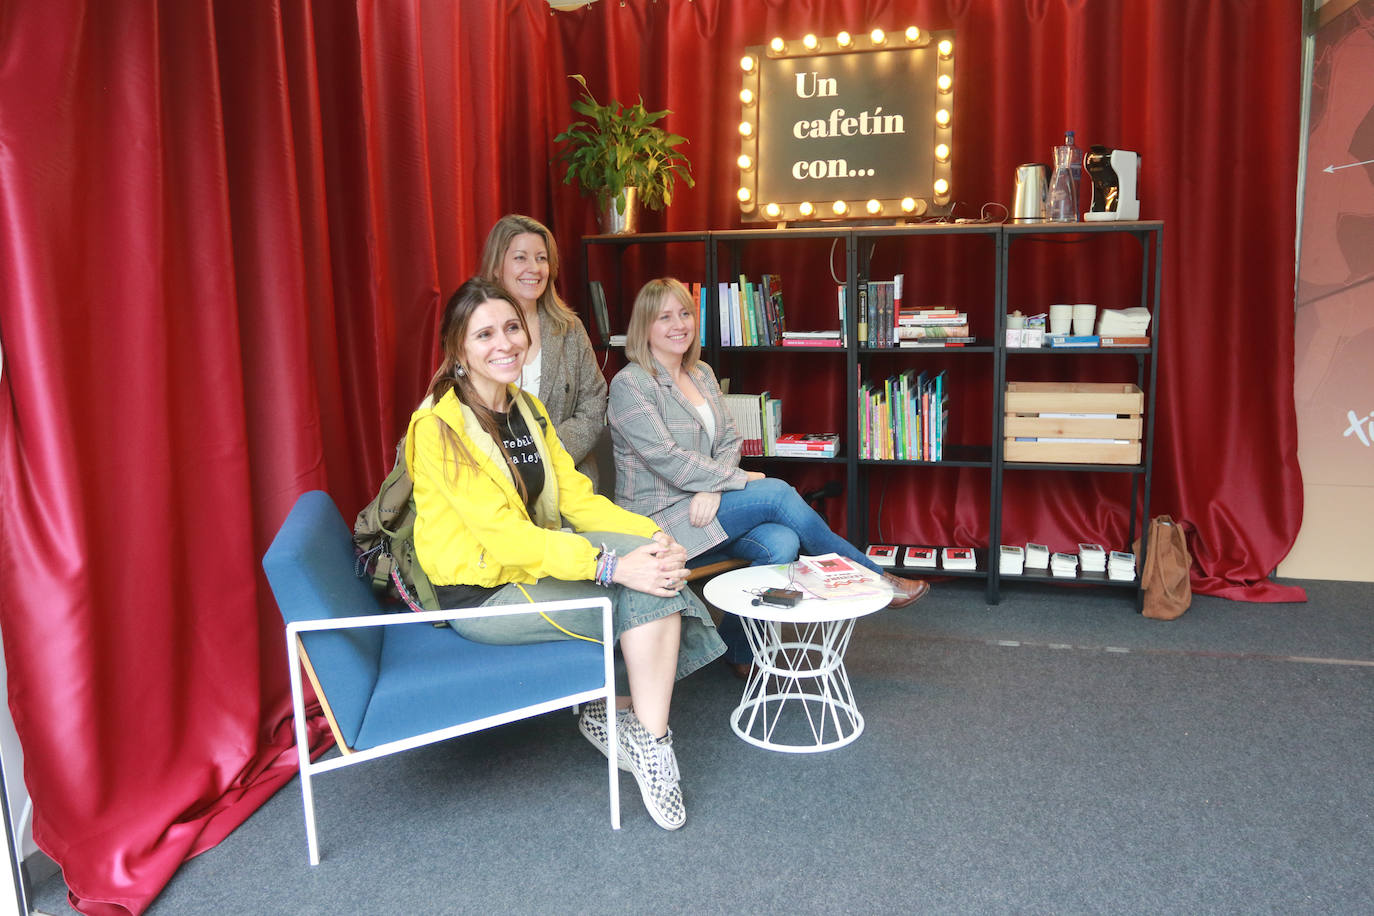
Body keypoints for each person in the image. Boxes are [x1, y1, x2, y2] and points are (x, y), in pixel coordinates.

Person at [405, 277, 724, 831]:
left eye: (511, 327)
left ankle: (632, 727)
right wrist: (612, 564)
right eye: (484, 334)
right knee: (644, 591)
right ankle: (651, 744)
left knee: (655, 569)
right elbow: (506, 539)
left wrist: (650, 536)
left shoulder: (526, 409)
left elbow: (576, 497)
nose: (504, 343)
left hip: (532, 566)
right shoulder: (439, 428)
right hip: (483, 594)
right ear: (458, 349)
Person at [606, 278, 930, 673]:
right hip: (661, 522)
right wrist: (735, 481)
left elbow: (728, 439)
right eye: (665, 317)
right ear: (645, 327)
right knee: (775, 494)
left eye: (685, 314)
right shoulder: (631, 384)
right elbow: (667, 459)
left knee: (783, 540)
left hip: (707, 508)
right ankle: (874, 576)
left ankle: (736, 651)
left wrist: (714, 488)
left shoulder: (702, 373)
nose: (679, 325)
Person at [478, 214, 608, 489]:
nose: (534, 268)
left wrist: (546, 451)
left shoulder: (569, 328)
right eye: (521, 258)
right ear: (497, 267)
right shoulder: (475, 329)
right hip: (495, 482)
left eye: (541, 258)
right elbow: (463, 406)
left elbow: (594, 402)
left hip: (568, 478)